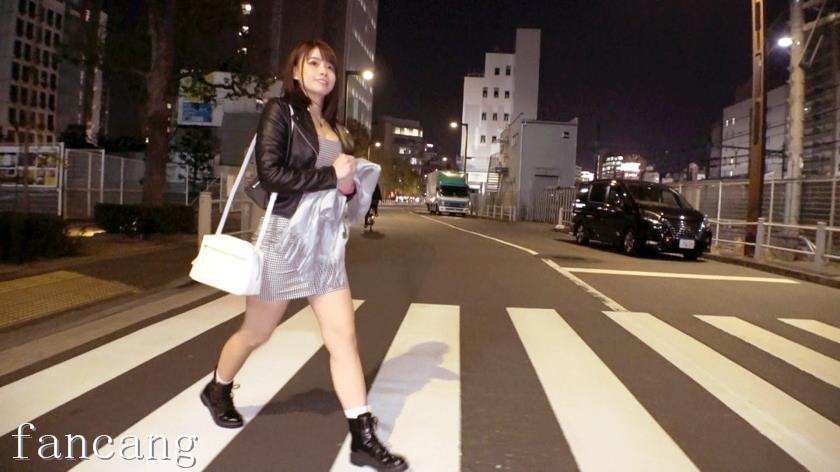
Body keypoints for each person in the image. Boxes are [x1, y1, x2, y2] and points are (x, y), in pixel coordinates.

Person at [200, 40, 408, 472]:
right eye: (313, 63)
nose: (323, 71)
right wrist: (331, 175)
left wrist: (348, 185)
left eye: (329, 65)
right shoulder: (281, 112)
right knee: (256, 333)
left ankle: (362, 437)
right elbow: (272, 174)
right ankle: (217, 388)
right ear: (296, 72)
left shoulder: (337, 128)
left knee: (343, 338)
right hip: (286, 237)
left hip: (325, 244)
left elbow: (343, 194)